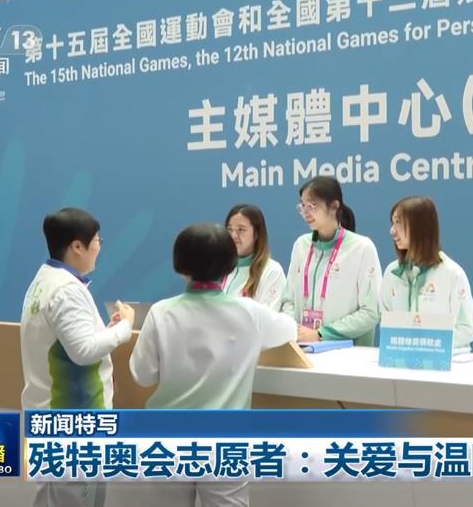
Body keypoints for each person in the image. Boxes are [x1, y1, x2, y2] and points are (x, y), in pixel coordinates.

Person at [129, 223, 297, 507]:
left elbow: (142, 374)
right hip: (226, 440)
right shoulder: (250, 312)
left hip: (167, 438)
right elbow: (289, 329)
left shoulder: (161, 312)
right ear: (230, 266)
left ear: (181, 266)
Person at [20, 207, 134, 507]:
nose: (99, 247)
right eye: (97, 240)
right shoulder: (67, 290)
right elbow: (83, 352)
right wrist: (124, 328)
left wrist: (104, 331)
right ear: (77, 246)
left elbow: (68, 341)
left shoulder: (46, 279)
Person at [280, 176, 381, 346]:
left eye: (312, 205)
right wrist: (295, 330)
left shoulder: (362, 248)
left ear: (334, 206)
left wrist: (321, 334)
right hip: (302, 348)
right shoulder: (301, 245)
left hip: (347, 353)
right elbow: (288, 300)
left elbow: (371, 311)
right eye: (302, 205)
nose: (306, 212)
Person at [380, 196, 473, 349]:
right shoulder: (392, 272)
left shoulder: (452, 274)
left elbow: (467, 329)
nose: (392, 230)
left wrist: (427, 344)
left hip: (445, 360)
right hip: (401, 359)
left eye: (398, 222)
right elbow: (385, 322)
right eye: (392, 223)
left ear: (419, 226)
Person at [222, 204, 286, 311]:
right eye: (230, 229)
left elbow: (268, 317)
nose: (233, 235)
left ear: (256, 234)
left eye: (241, 229)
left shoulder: (272, 271)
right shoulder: (220, 269)